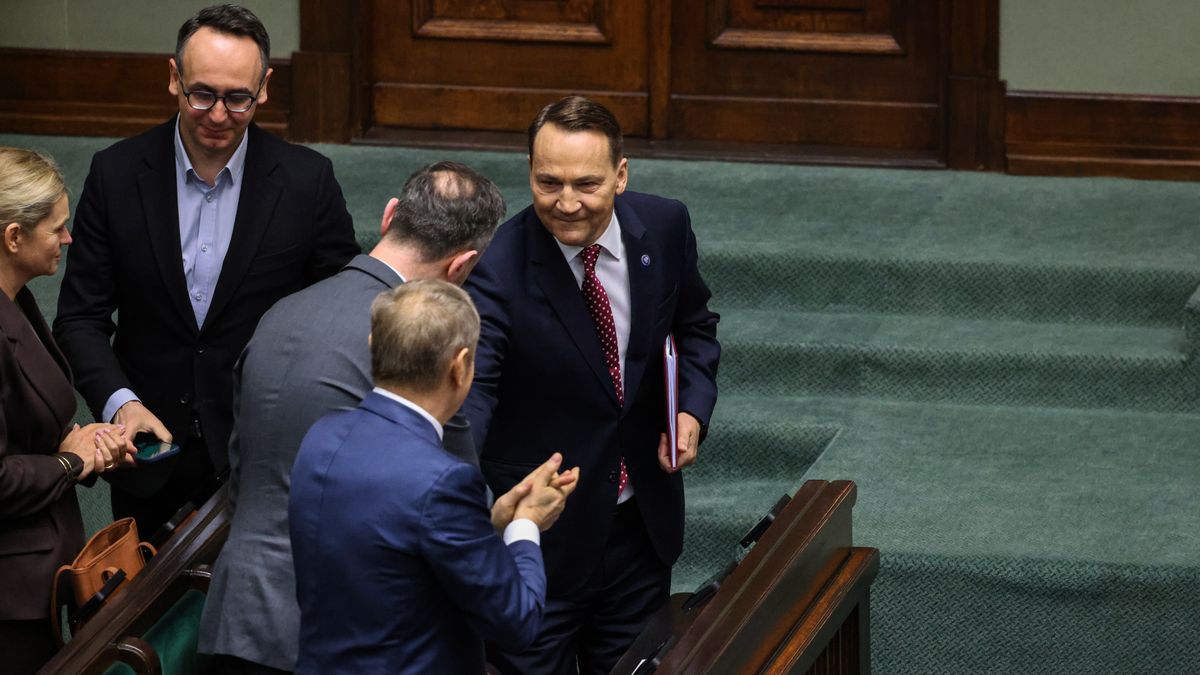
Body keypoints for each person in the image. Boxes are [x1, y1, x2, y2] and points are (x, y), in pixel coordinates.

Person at [53, 4, 359, 536]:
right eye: (202, 94)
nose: (218, 115)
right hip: (147, 451)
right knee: (143, 615)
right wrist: (121, 404)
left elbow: (344, 312)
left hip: (265, 449)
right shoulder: (115, 174)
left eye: (238, 98)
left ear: (264, 87)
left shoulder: (308, 182)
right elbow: (80, 317)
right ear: (173, 78)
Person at [199, 161, 507, 674]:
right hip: (343, 637)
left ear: (389, 216)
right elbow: (459, 506)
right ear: (461, 267)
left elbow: (241, 466)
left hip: (236, 618)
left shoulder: (282, 312)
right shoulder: (418, 345)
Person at [462, 95, 722, 674]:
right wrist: (471, 508)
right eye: (548, 182)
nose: (567, 203)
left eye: (587, 183)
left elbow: (695, 328)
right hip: (542, 547)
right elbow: (472, 399)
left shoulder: (665, 225)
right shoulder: (497, 270)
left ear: (621, 175)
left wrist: (692, 410)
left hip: (639, 528)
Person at [289, 280, 579, 674]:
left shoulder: (321, 435)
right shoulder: (445, 482)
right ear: (459, 367)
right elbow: (518, 622)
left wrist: (489, 527)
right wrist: (525, 526)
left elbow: (391, 555)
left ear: (374, 344)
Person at [0, 147, 131, 675]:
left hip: (41, 570)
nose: (68, 239)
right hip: (11, 600)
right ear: (13, 237)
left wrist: (87, 442)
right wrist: (70, 463)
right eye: (56, 229)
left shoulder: (18, 297)